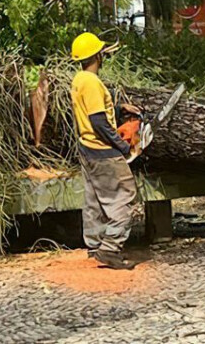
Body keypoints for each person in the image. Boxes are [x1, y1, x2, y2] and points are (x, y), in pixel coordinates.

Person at [69, 31, 138, 270]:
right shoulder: (92, 83)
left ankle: (95, 245)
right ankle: (110, 248)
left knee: (95, 200)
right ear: (98, 55)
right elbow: (98, 121)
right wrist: (122, 145)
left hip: (87, 147)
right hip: (103, 151)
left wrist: (118, 110)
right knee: (125, 197)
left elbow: (92, 112)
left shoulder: (79, 80)